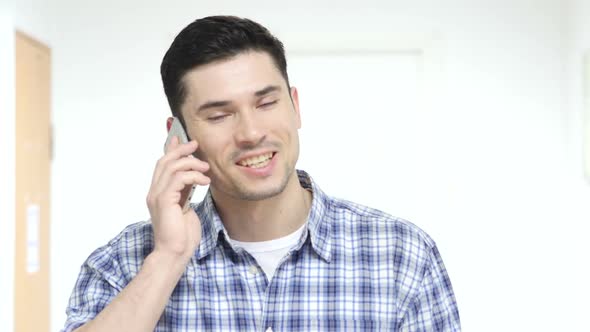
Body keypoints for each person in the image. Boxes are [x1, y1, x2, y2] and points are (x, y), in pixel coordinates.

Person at [62, 15, 461, 332]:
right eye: (219, 115)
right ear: (178, 136)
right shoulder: (122, 263)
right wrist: (168, 258)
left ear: (295, 106)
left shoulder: (402, 257)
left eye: (266, 103)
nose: (251, 133)